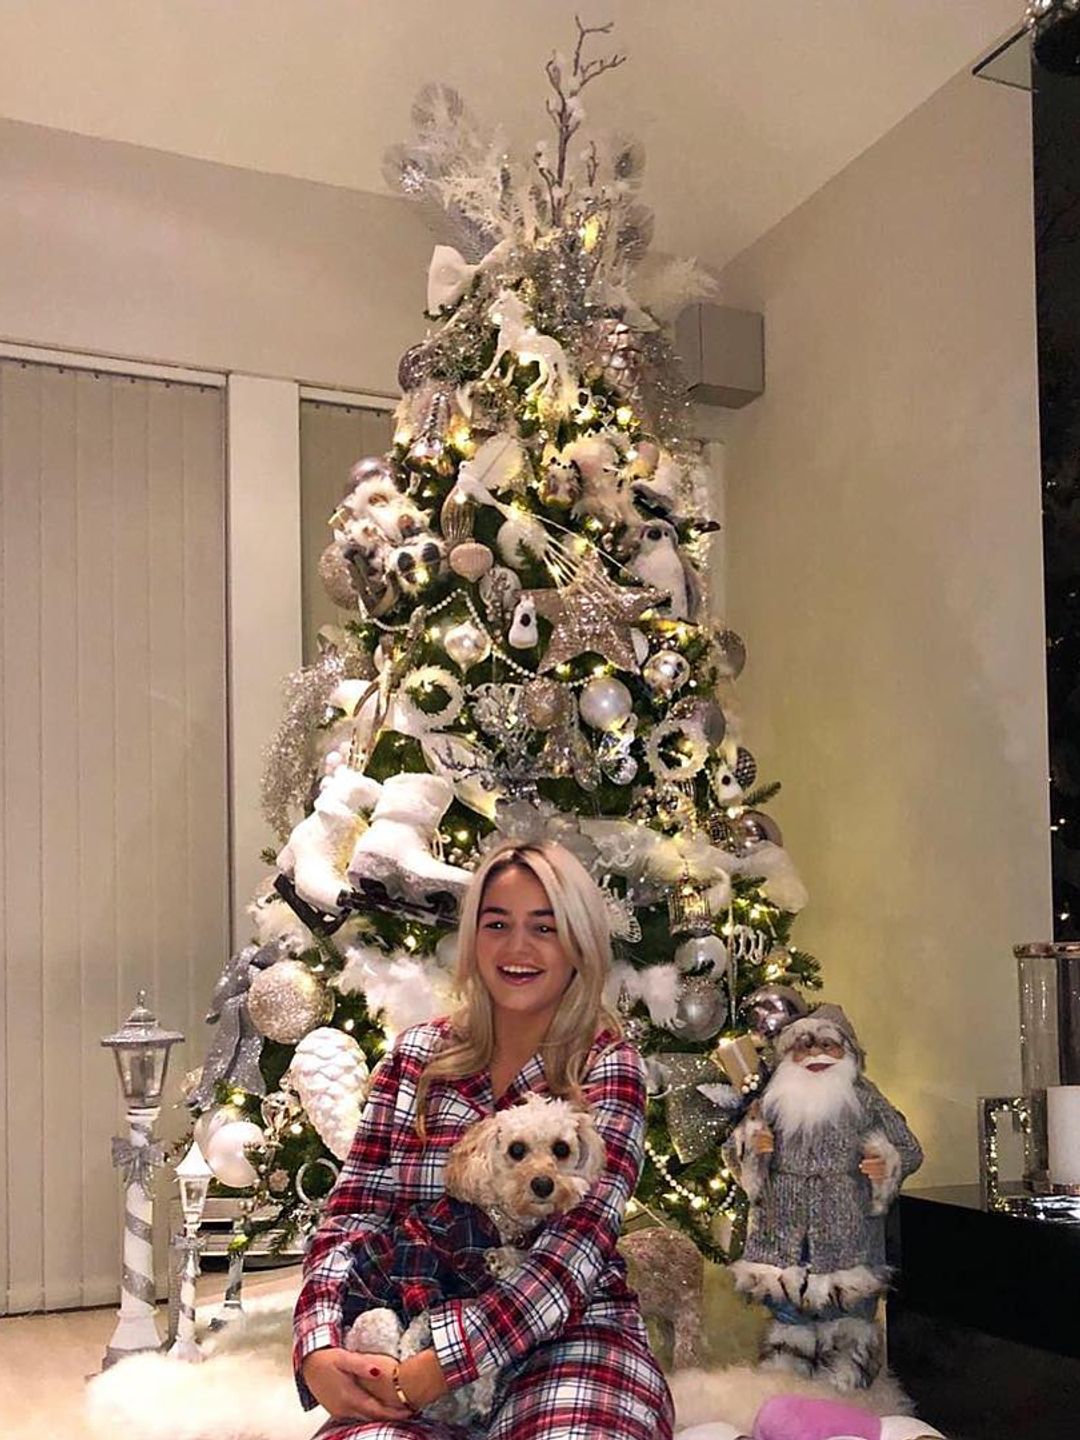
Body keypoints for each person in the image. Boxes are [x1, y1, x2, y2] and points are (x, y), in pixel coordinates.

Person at [293, 839, 675, 1440]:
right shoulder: (416, 1058)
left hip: (570, 1337)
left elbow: (571, 1254)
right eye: (497, 924)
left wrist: (438, 1367)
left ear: (578, 943)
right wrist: (316, 1348)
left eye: (544, 928)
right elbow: (352, 1218)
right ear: (473, 939)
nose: (518, 948)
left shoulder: (608, 1066)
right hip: (410, 1327)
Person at [724, 1004, 923, 1390]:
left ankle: (847, 1386)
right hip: (782, 1235)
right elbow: (735, 1155)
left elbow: (909, 1148)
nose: (814, 1054)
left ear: (847, 1051)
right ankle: (786, 1382)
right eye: (803, 1046)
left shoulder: (865, 1099)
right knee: (788, 1317)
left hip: (847, 1236)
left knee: (846, 1319)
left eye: (827, 1045)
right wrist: (751, 1146)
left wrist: (885, 1160)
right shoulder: (770, 1101)